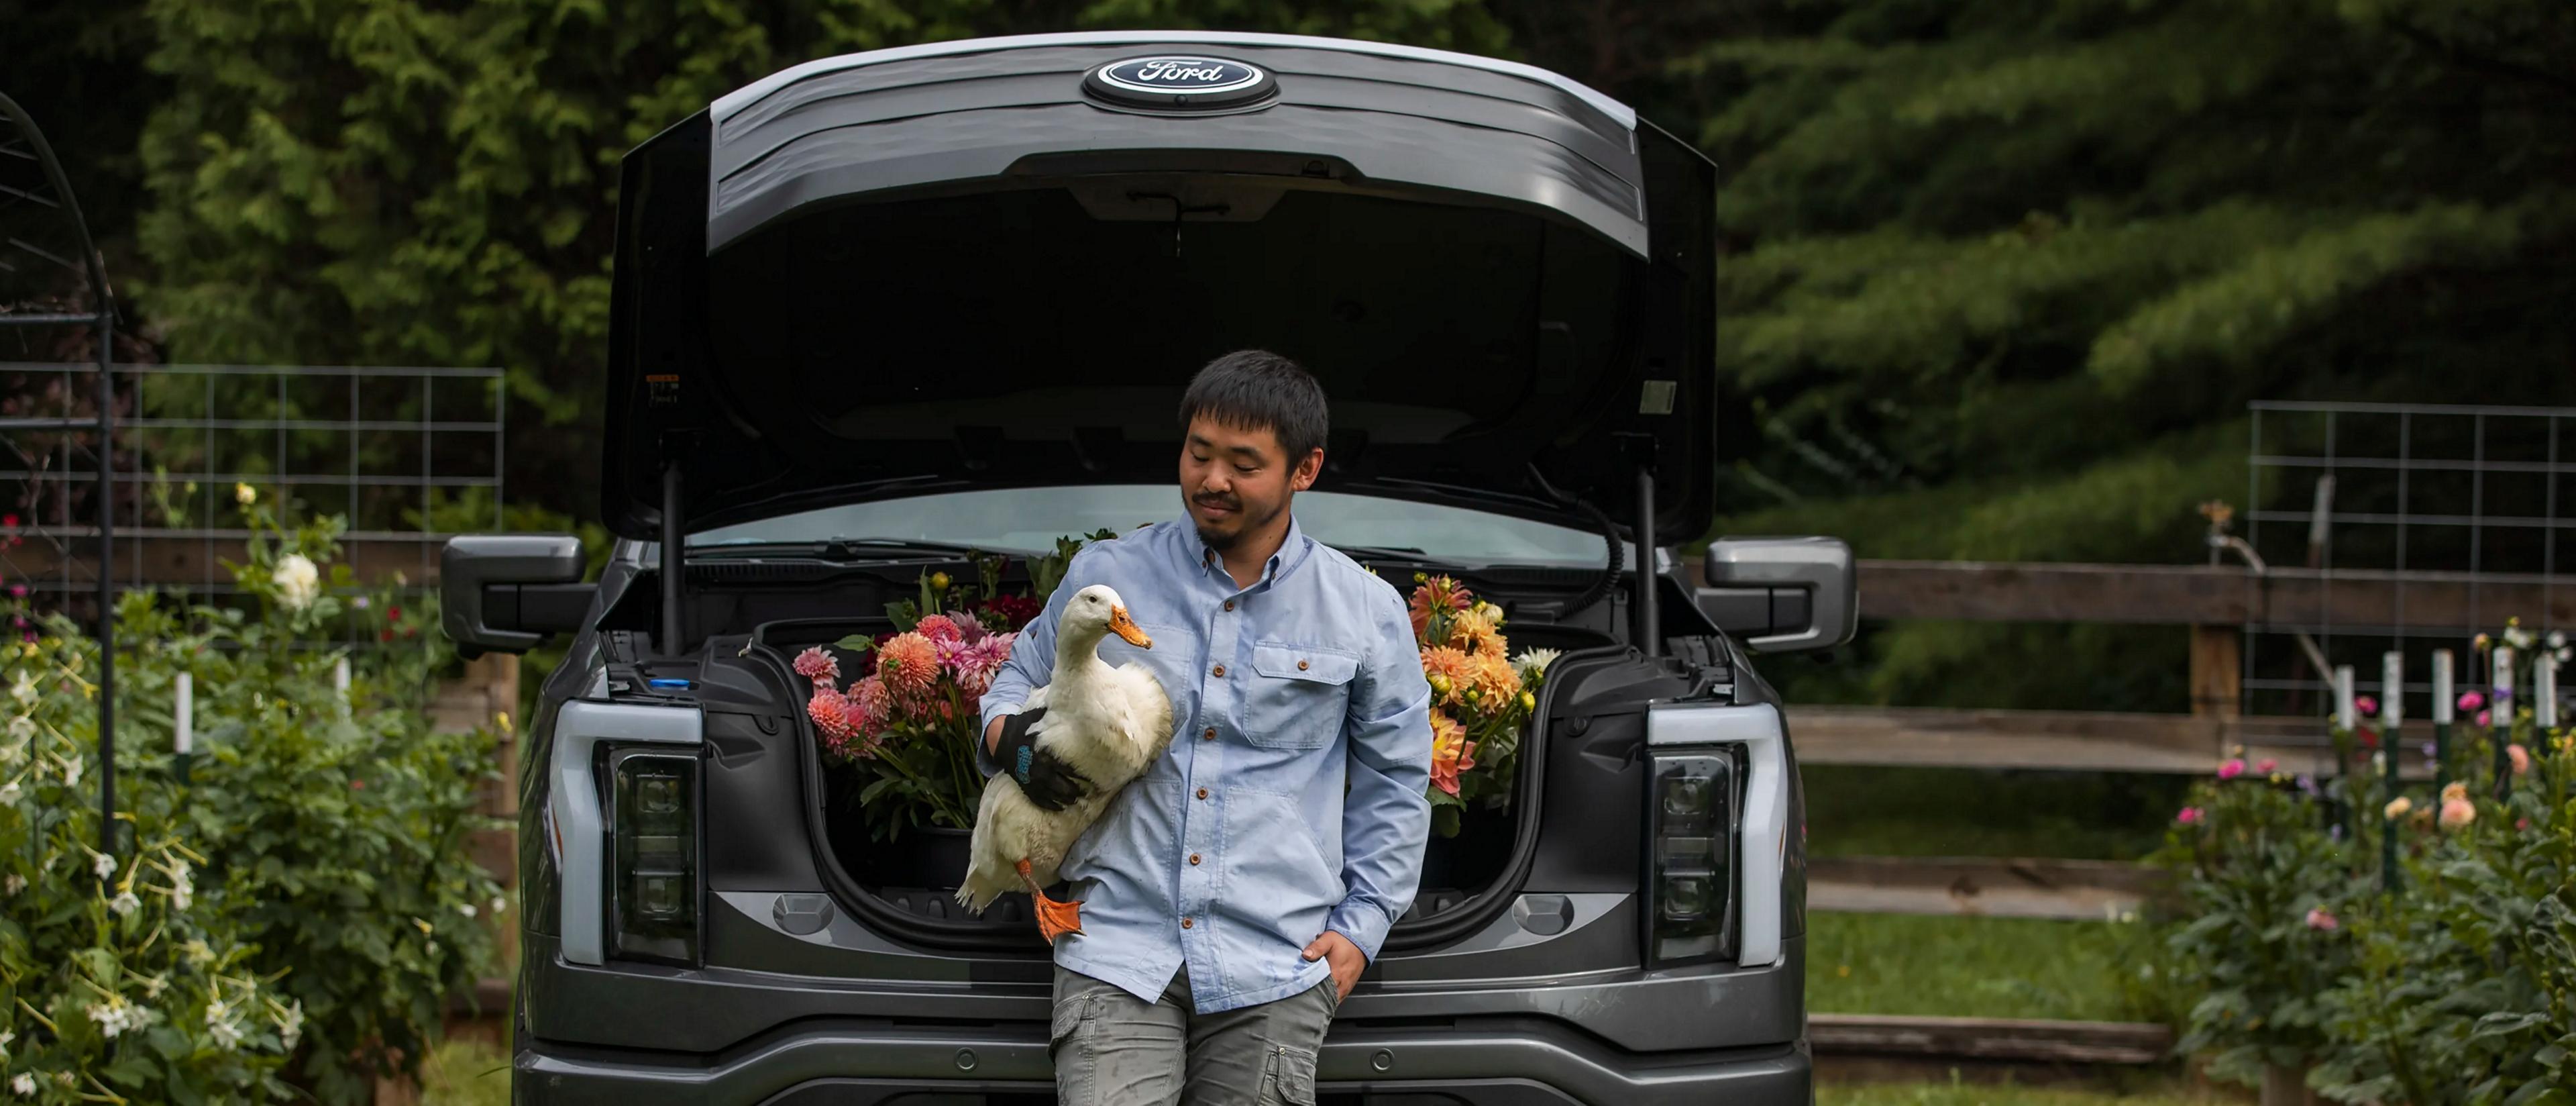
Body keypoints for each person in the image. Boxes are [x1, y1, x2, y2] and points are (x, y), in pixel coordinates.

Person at [977, 349, 1433, 1105]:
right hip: (1116, 947)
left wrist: (1361, 927)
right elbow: (1012, 686)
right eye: (1198, 453)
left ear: (1304, 469)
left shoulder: (1365, 609)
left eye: (1244, 464)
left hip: (1277, 960)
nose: (1212, 479)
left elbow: (1395, 781)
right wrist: (1012, 746)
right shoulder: (1110, 574)